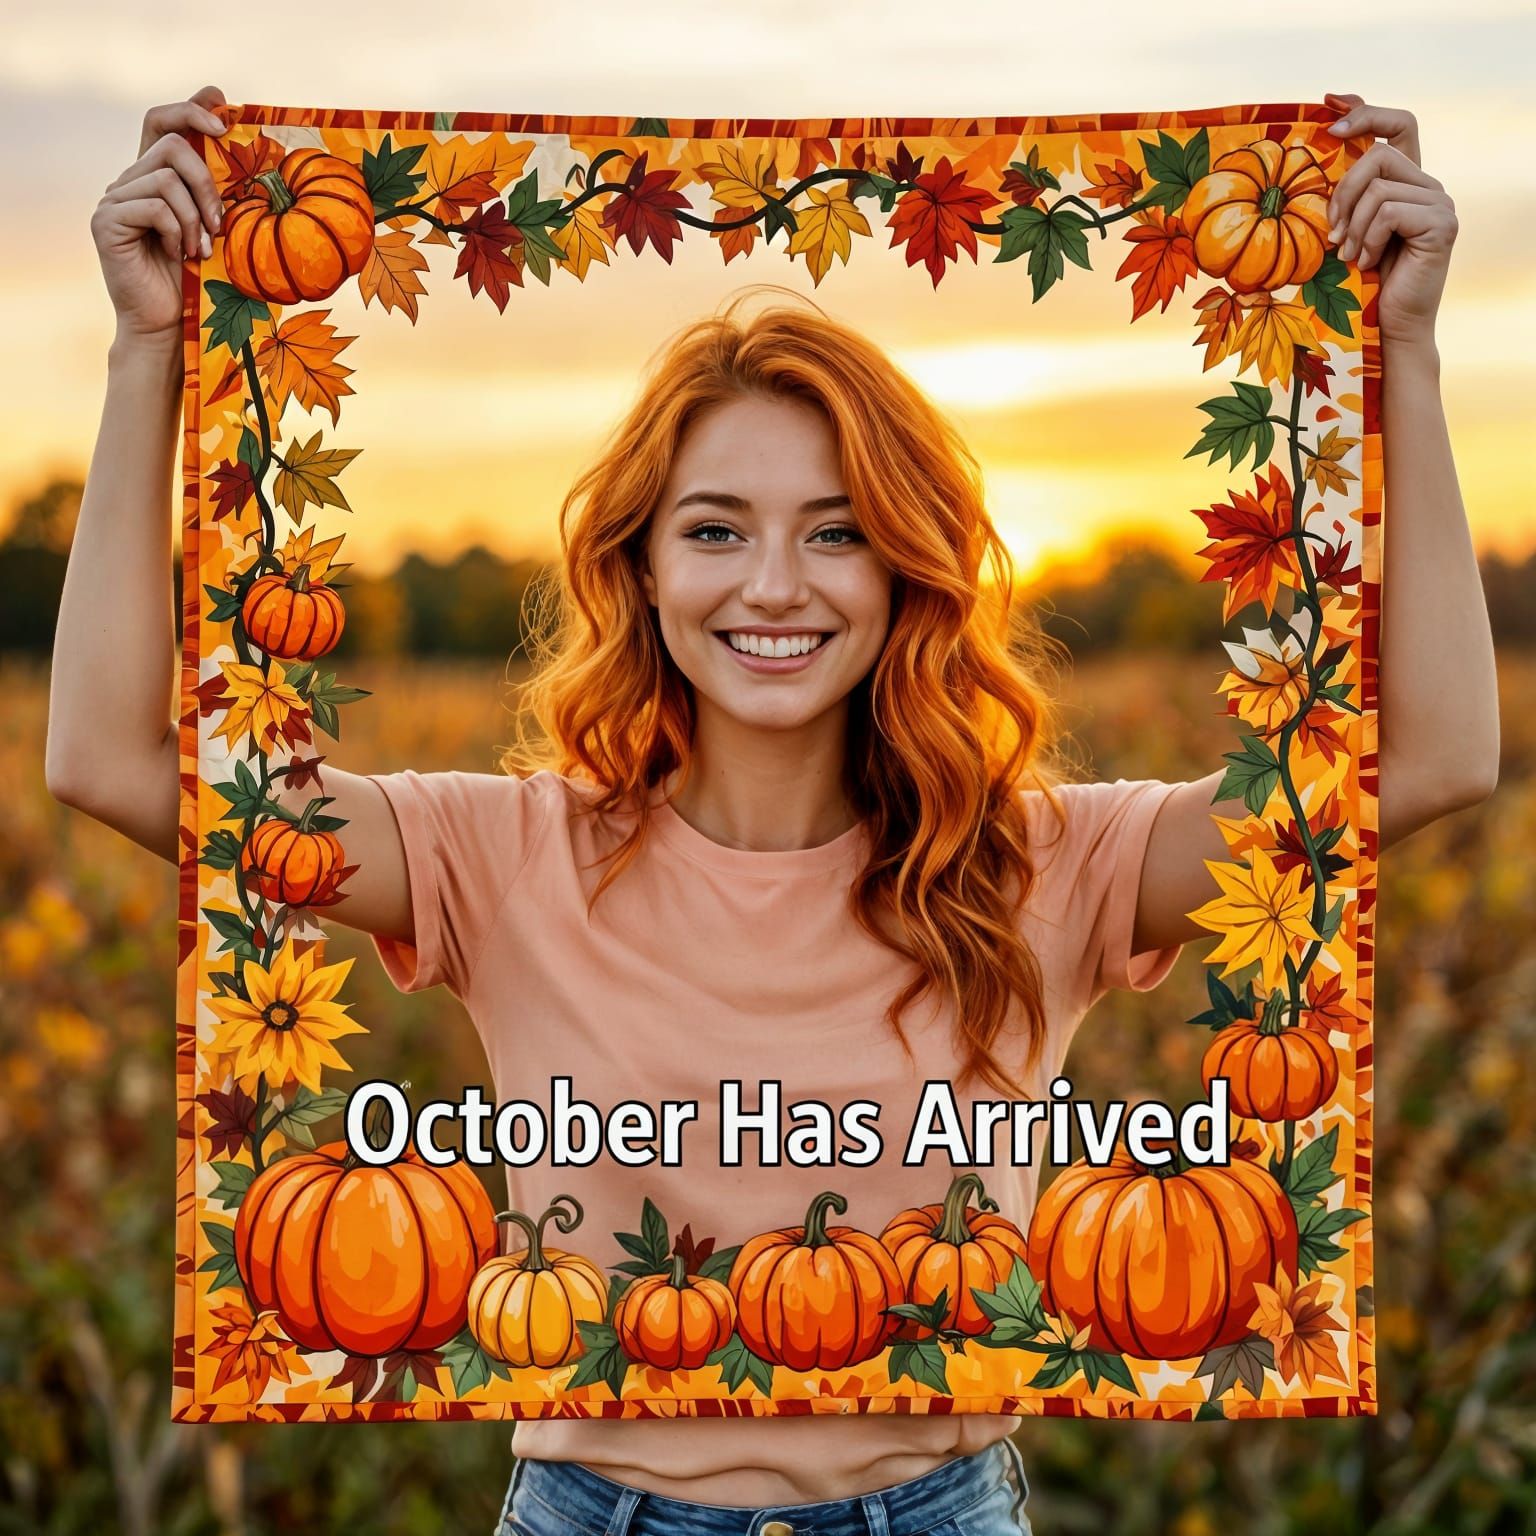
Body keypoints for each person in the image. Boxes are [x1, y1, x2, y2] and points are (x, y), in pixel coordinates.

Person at [50, 84, 1496, 1536]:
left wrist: (1408, 352)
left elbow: (1427, 761)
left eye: (839, 532)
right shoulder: (496, 855)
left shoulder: (1045, 862)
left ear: (907, 571)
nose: (775, 587)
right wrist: (149, 351)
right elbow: (114, 762)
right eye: (716, 529)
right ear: (643, 567)